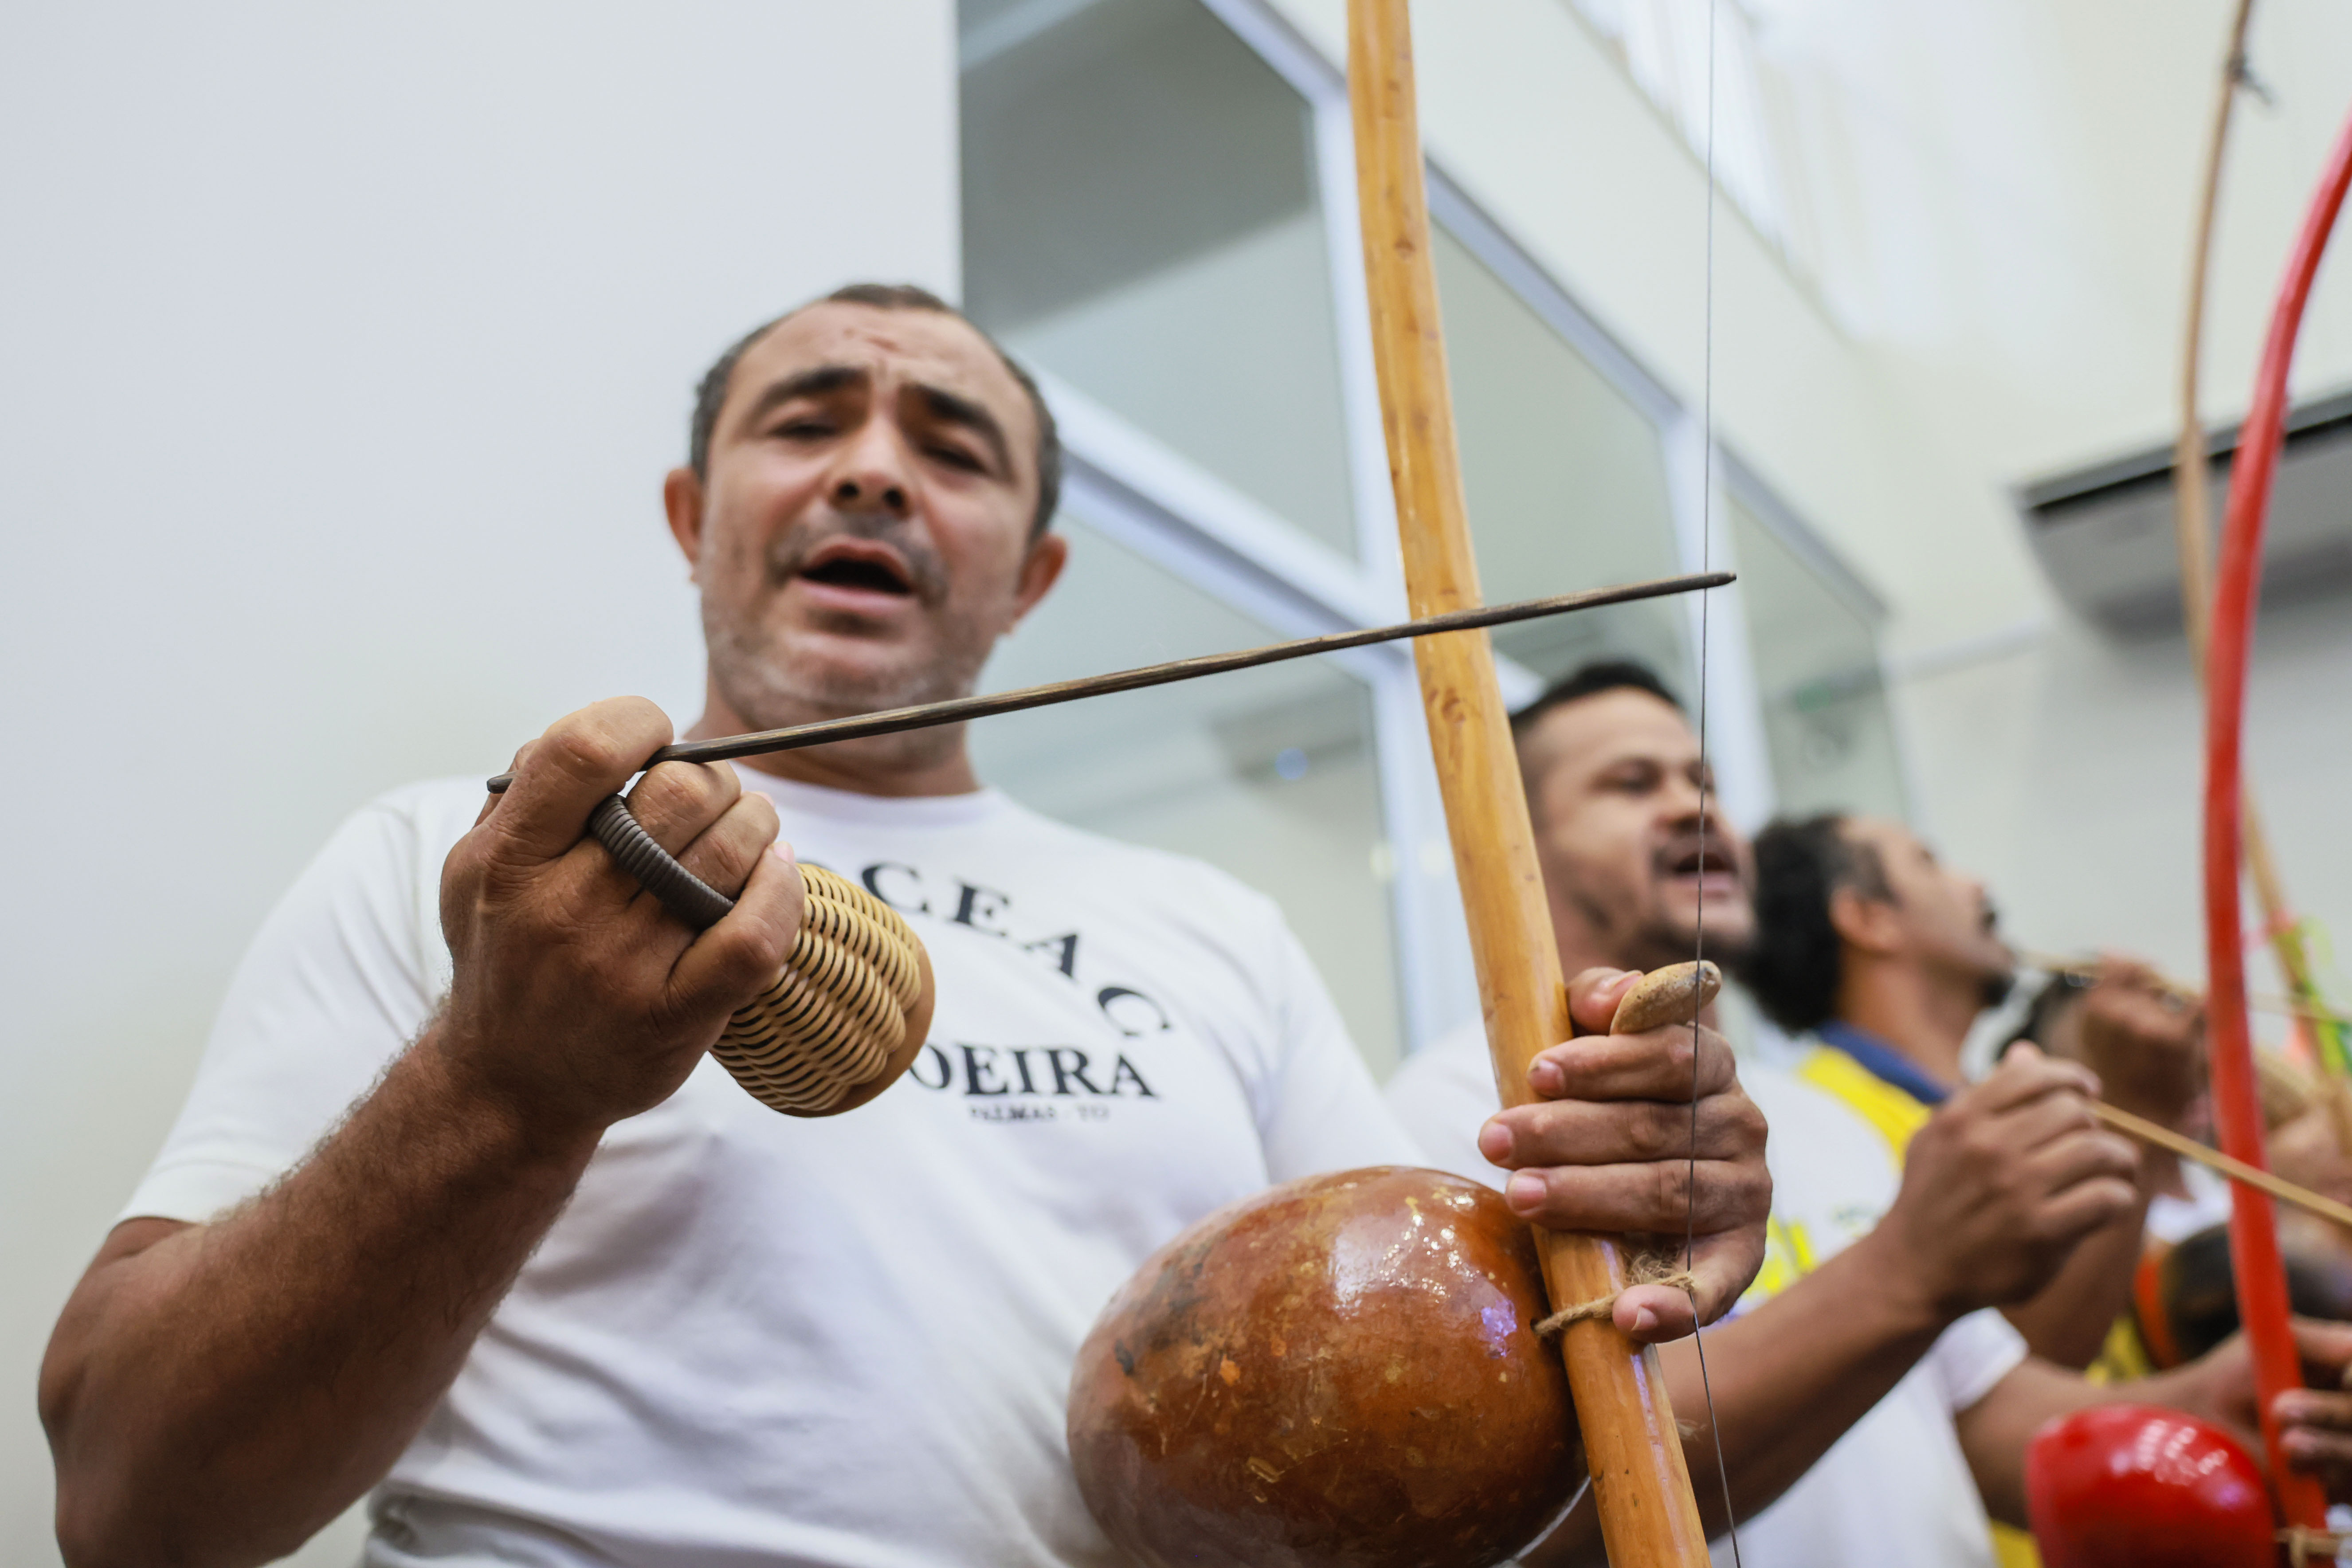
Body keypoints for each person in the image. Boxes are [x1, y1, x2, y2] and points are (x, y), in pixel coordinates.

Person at [39, 286, 1772, 1568]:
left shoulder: (1212, 928)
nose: (874, 469)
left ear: (1033, 577)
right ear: (691, 518)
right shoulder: (465, 863)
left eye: (951, 447)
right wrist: (505, 1081)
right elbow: (137, 1502)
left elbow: (1464, 1491)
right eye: (808, 421)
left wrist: (1619, 1242)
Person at [1387, 660, 2352, 1568]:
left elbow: (1983, 1414)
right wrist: (1911, 1267)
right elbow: (1532, 1509)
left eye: (1704, 777)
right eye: (1632, 784)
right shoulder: (1456, 1118)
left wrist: (2222, 1412)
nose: (1694, 805)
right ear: (1514, 844)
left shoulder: (1818, 1117)